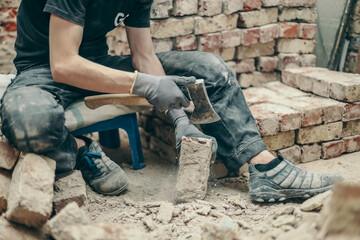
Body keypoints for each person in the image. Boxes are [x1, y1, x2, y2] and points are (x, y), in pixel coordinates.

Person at [0, 0, 343, 202]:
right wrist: (145, 86)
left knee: (208, 69)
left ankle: (265, 167)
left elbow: (144, 55)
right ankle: (78, 149)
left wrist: (179, 115)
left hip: (98, 67)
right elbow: (63, 65)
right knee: (30, 122)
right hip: (42, 72)